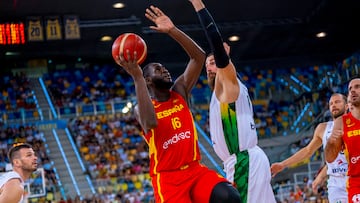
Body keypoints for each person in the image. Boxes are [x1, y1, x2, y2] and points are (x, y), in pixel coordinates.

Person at [114, 5, 241, 203]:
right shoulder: (143, 107)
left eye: (164, 68)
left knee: (229, 196)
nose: (164, 70)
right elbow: (149, 124)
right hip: (168, 178)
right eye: (157, 69)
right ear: (147, 80)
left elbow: (198, 57)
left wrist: (173, 30)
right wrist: (137, 76)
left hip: (195, 170)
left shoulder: (179, 90)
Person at [188, 0, 276, 202]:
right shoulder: (222, 92)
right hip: (244, 161)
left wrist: (198, 5)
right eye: (208, 64)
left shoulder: (228, 82)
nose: (209, 67)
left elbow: (216, 43)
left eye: (213, 62)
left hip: (243, 162)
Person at [271, 93, 348, 203]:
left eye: (337, 102)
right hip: (335, 184)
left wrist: (321, 176)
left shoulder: (355, 125)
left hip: (355, 178)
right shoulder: (323, 128)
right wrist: (283, 164)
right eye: (331, 103)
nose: (333, 105)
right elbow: (307, 151)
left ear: (347, 106)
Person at [325, 78, 360, 202]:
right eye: (350, 89)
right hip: (356, 181)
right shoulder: (342, 122)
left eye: (357, 87)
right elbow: (329, 158)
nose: (353, 91)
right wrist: (331, 142)